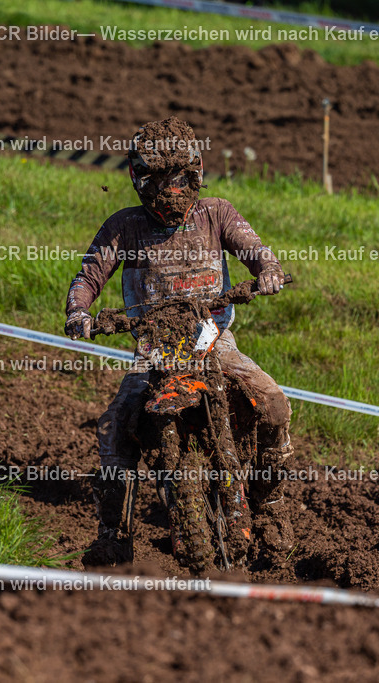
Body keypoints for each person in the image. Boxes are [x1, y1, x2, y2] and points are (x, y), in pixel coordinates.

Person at [63, 116, 294, 565]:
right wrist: (78, 311)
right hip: (152, 349)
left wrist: (267, 271)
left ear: (195, 172)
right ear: (139, 178)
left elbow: (254, 249)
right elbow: (88, 275)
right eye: (160, 178)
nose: (171, 189)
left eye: (180, 177)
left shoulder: (216, 213)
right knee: (114, 427)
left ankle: (270, 503)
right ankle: (114, 534)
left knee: (273, 403)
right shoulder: (124, 227)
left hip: (213, 338)